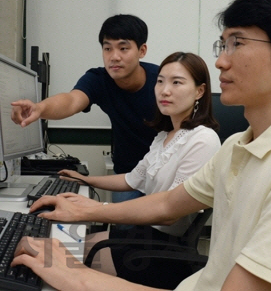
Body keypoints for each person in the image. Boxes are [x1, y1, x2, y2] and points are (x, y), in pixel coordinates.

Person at [12, 0, 271, 291]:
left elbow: (163, 215)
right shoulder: (238, 146)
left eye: (237, 43)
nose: (220, 61)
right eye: (222, 44)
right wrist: (87, 207)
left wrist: (76, 276)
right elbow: (165, 203)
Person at [57, 52, 220, 287]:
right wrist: (86, 180)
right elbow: (132, 180)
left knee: (60, 255)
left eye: (177, 82)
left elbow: (169, 212)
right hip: (144, 238)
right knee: (64, 243)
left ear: (199, 91)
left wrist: (95, 208)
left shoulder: (203, 140)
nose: (164, 90)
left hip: (160, 252)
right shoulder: (165, 137)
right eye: (161, 81)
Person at [11, 14, 158, 204]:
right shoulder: (99, 79)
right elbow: (71, 101)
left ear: (142, 50)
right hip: (126, 173)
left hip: (162, 172)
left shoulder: (162, 81)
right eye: (107, 48)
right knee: (124, 229)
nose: (114, 56)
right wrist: (40, 108)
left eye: (123, 48)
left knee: (164, 229)